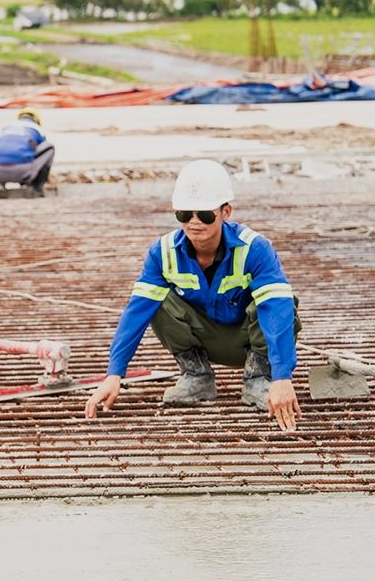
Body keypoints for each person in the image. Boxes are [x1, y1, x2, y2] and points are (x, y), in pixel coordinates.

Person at [84, 160, 302, 431]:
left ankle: (259, 379)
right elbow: (136, 313)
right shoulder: (162, 253)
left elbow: (277, 308)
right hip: (204, 338)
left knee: (283, 302)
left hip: (252, 343)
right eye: (185, 214)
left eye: (205, 215)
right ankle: (197, 376)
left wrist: (283, 377)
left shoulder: (255, 248)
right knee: (155, 300)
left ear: (226, 212)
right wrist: (114, 373)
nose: (194, 222)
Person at [0, 107, 54, 197]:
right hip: (22, 173)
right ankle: (37, 188)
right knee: (49, 148)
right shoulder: (37, 128)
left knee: (5, 152)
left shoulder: (7, 127)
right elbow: (41, 147)